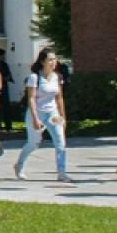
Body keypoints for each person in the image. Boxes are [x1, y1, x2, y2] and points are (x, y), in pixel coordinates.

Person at [14, 48, 70, 182]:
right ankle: (19, 165)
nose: (53, 62)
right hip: (37, 112)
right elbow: (31, 98)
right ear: (42, 61)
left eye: (54, 59)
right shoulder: (34, 77)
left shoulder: (57, 77)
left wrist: (63, 116)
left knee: (60, 142)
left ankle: (61, 172)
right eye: (50, 59)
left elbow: (59, 98)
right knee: (33, 143)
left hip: (53, 113)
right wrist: (35, 118)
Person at [0, 48, 14, 143]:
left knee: (6, 107)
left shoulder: (4, 65)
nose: (3, 57)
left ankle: (8, 126)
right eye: (2, 56)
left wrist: (5, 78)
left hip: (4, 88)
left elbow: (9, 76)